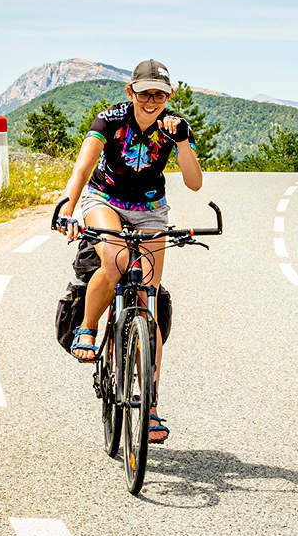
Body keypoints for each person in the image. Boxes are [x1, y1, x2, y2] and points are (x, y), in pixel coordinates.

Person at [55, 59, 204, 443]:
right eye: (144, 93)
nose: (151, 101)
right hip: (104, 199)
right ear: (130, 93)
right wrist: (67, 208)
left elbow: (194, 183)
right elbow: (83, 167)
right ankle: (88, 328)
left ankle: (150, 406)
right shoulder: (109, 121)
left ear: (169, 95)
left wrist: (184, 140)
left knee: (148, 301)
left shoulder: (173, 126)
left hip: (151, 209)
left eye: (160, 94)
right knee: (118, 259)